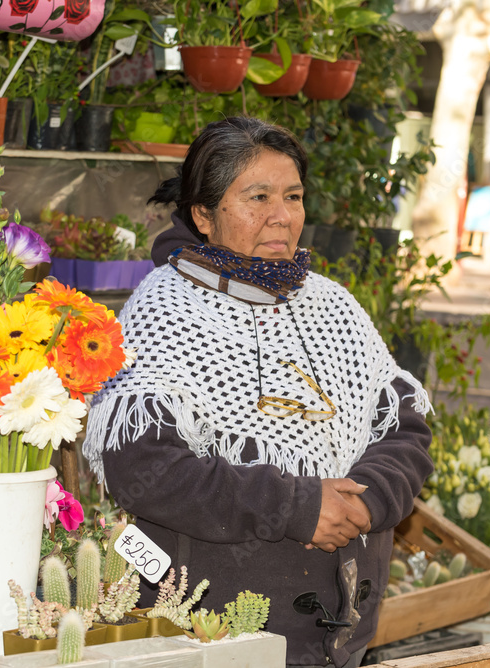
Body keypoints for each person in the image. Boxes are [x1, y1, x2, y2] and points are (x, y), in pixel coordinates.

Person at [83, 117, 433, 668]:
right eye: (258, 197)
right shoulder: (164, 311)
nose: (282, 216)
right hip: (217, 635)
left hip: (342, 632)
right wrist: (298, 507)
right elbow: (143, 467)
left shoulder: (332, 305)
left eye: (293, 196)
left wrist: (364, 502)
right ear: (203, 214)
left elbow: (404, 429)